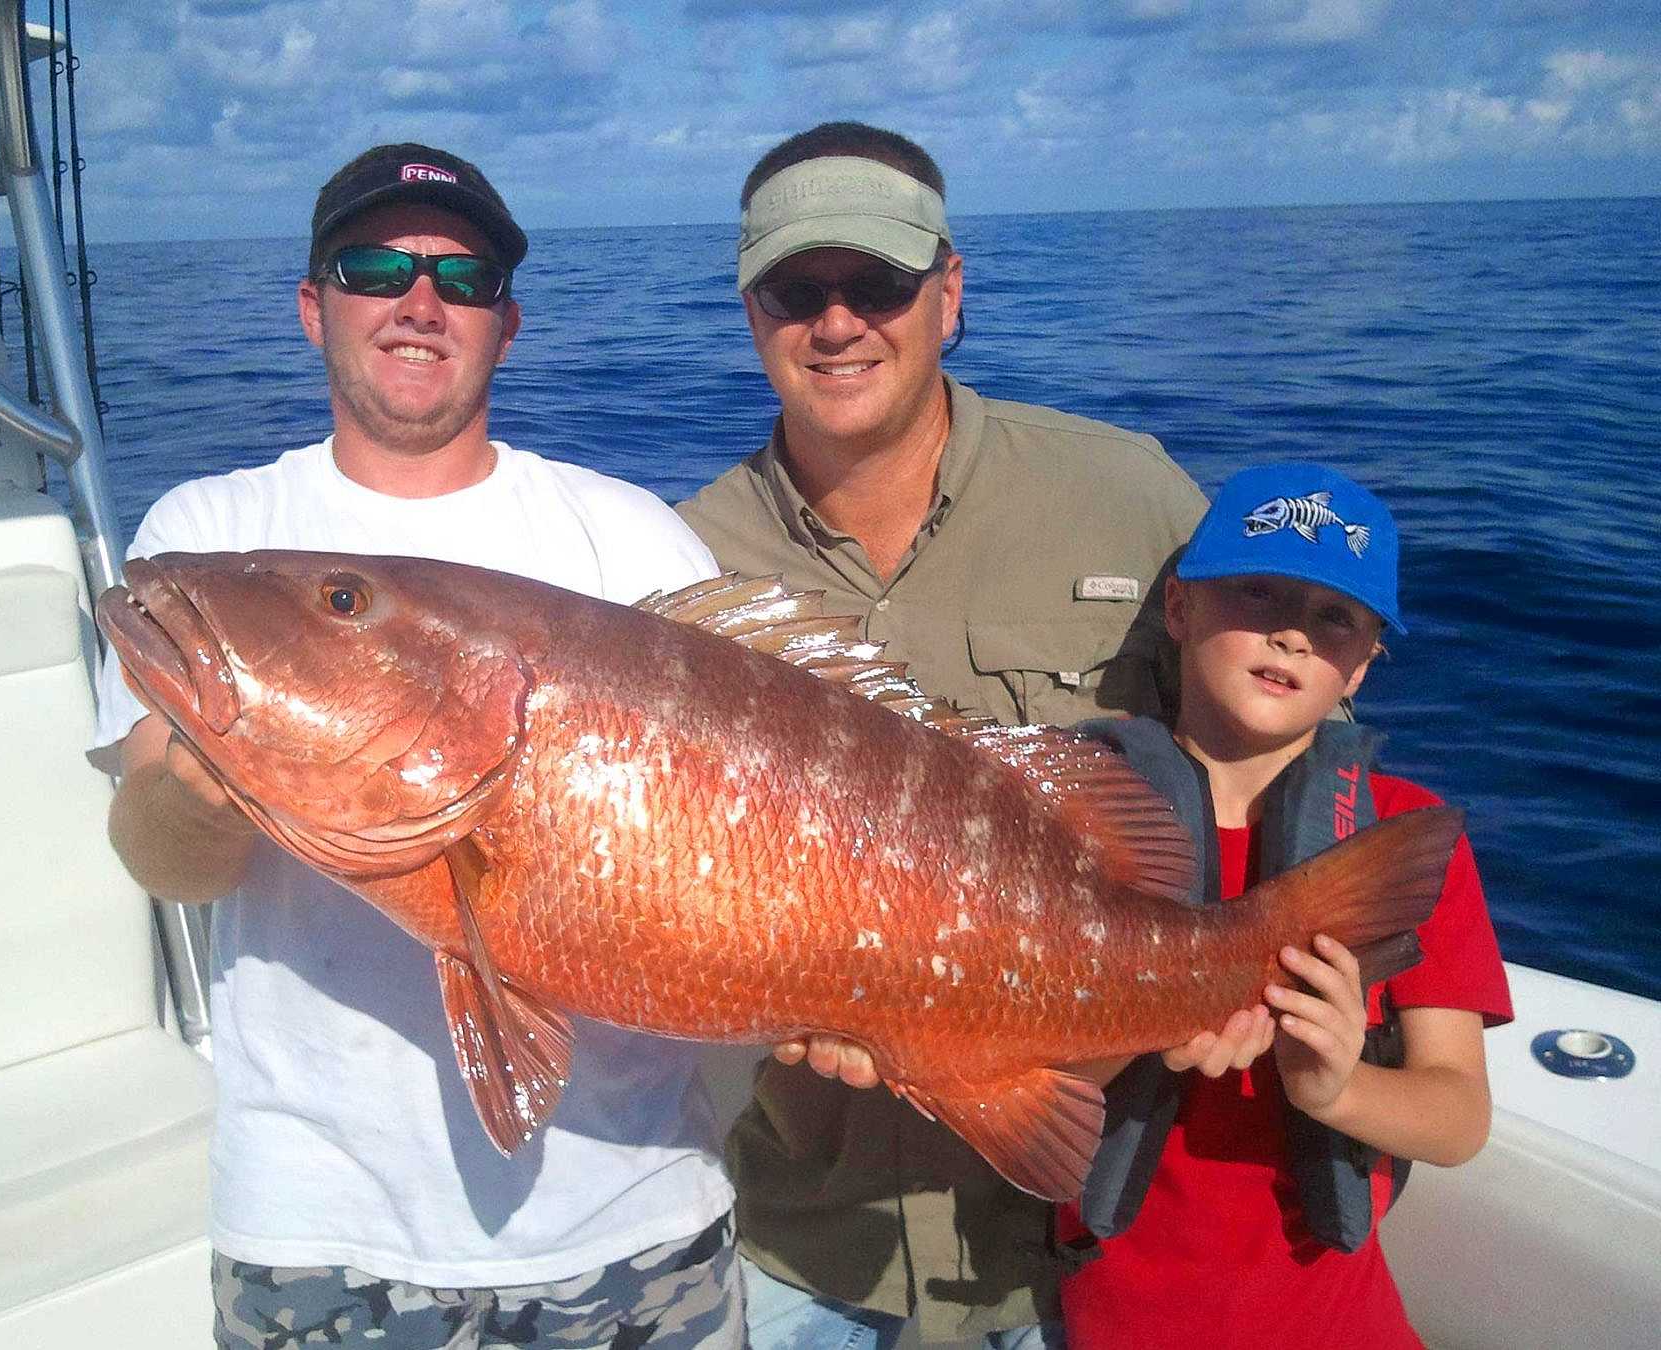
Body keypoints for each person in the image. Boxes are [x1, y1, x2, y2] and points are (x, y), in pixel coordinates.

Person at [96, 144, 742, 1350]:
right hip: (318, 1232)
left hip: (636, 1220)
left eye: (464, 276)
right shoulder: (214, 535)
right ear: (314, 305)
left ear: (506, 323)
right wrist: (201, 784)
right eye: (375, 268)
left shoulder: (630, 536)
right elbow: (163, 859)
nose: (419, 300)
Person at [676, 120, 1271, 1349]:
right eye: (795, 291)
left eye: (878, 282)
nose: (837, 323)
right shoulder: (687, 562)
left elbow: (1290, 748)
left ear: (949, 293)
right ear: (750, 315)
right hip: (805, 1242)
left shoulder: (1129, 495)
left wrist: (1261, 975)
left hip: (1087, 1243)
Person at [1055, 462, 1514, 1349]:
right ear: (1180, 607)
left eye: (1335, 617)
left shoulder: (1404, 839)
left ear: (1362, 665)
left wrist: (1334, 1086)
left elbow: (1459, 1117)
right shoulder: (1076, 819)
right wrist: (1152, 1016)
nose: (1294, 634)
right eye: (1259, 592)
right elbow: (1022, 1085)